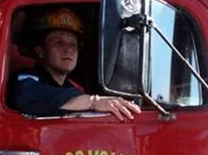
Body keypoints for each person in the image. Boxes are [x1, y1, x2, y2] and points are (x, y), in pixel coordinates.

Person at [9, 8, 140, 120]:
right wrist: (94, 102)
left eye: (73, 44)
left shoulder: (76, 87)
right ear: (41, 51)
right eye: (59, 42)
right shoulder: (26, 79)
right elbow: (28, 96)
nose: (68, 49)